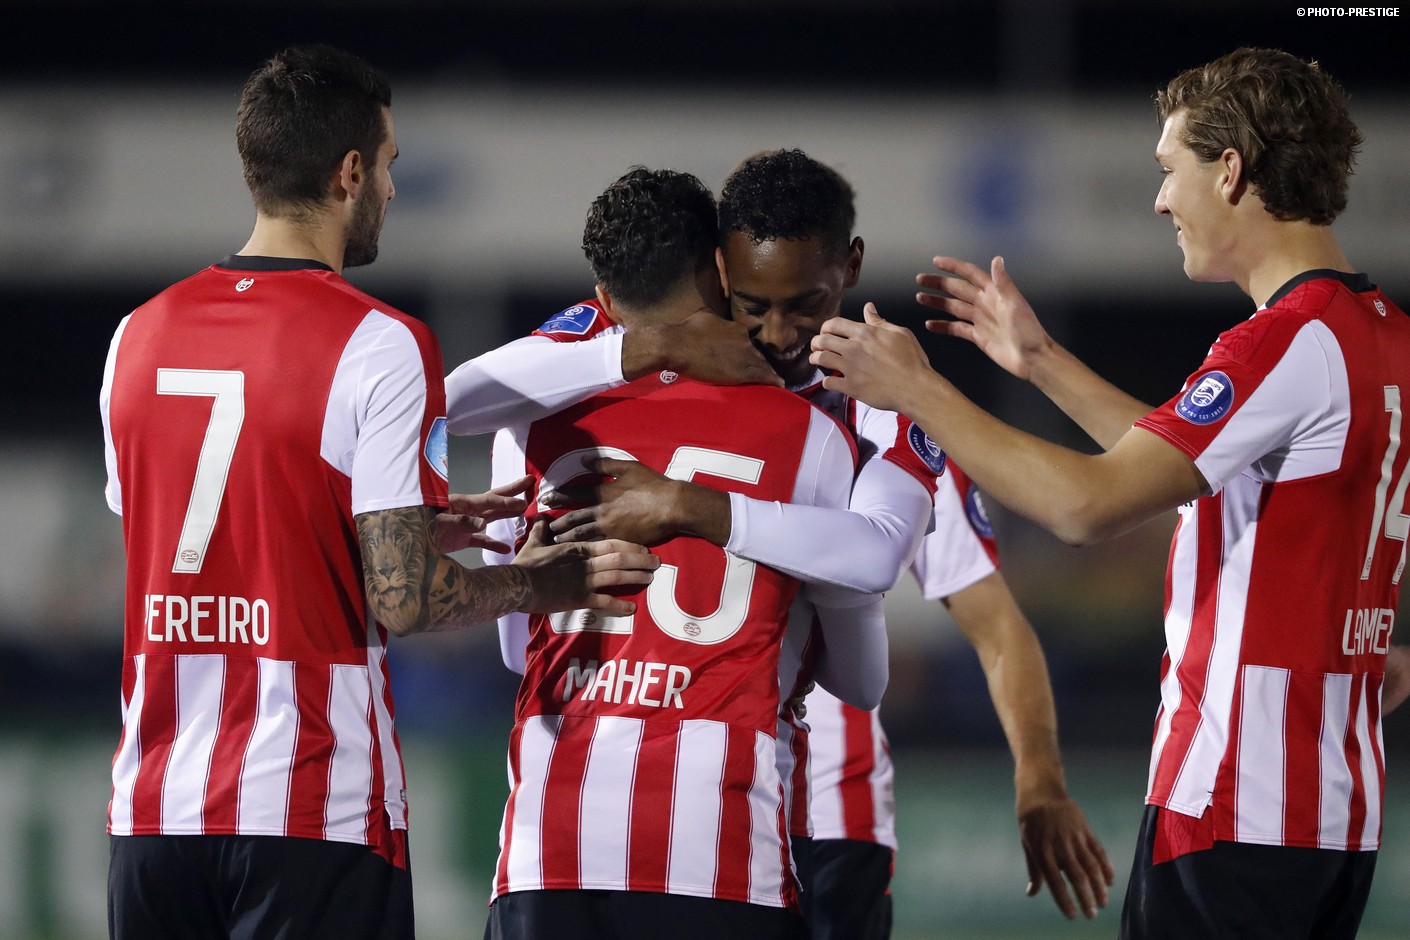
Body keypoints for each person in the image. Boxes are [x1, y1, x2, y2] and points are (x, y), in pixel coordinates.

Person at [809, 48, 1410, 939]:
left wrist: (920, 391)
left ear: (1231, 171)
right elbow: (1185, 465)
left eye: (1170, 169)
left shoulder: (1282, 342)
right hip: (1334, 814)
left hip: (1236, 805)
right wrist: (1040, 362)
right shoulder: (1380, 332)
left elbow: (1086, 506)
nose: (1162, 201)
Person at [98, 45, 657, 940]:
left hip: (154, 811)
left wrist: (410, 524)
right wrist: (545, 582)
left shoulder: (136, 336)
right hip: (308, 802)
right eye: (390, 165)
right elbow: (408, 601)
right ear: (349, 172)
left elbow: (203, 539)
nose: (392, 189)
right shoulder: (379, 343)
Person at [551, 149, 1112, 934]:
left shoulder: (889, 417)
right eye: (754, 303)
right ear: (720, 270)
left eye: (805, 304)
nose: (779, 332)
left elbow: (996, 627)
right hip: (674, 803)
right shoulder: (653, 380)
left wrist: (1040, 781)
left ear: (849, 268)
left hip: (829, 819)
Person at [481, 166, 884, 940]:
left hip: (548, 846)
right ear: (719, 273)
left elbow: (513, 650)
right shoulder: (816, 434)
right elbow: (860, 677)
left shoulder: (534, 419)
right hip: (721, 849)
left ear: (604, 297)